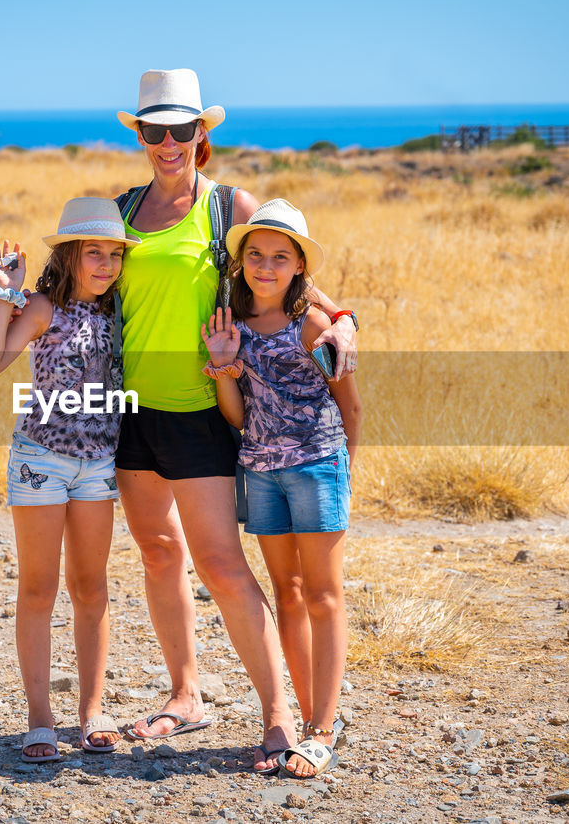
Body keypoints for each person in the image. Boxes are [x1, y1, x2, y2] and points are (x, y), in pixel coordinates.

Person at [112, 68, 360, 773]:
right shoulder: (122, 209)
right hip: (133, 411)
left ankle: (280, 717)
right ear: (140, 136)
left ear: (202, 135)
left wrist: (340, 319)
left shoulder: (228, 207)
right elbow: (87, 286)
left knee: (221, 565)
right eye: (153, 130)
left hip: (204, 409)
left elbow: (286, 274)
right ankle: (185, 694)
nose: (168, 142)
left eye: (181, 130)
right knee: (160, 554)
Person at [0, 197, 136, 763]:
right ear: (69, 255)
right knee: (39, 588)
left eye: (115, 254)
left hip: (99, 464)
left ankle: (93, 709)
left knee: (92, 587)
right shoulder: (40, 307)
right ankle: (40, 717)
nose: (107, 264)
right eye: (94, 253)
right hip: (41, 460)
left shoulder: (122, 309)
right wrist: (6, 295)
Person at [201, 199, 361, 778]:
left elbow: (351, 404)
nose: (265, 266)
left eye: (280, 257)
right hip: (260, 471)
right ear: (241, 262)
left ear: (298, 267)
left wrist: (345, 469)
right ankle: (310, 712)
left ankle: (322, 730)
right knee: (286, 593)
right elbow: (239, 418)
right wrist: (222, 368)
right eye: (255, 255)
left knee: (323, 594)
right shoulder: (233, 326)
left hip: (317, 466)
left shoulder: (313, 326)